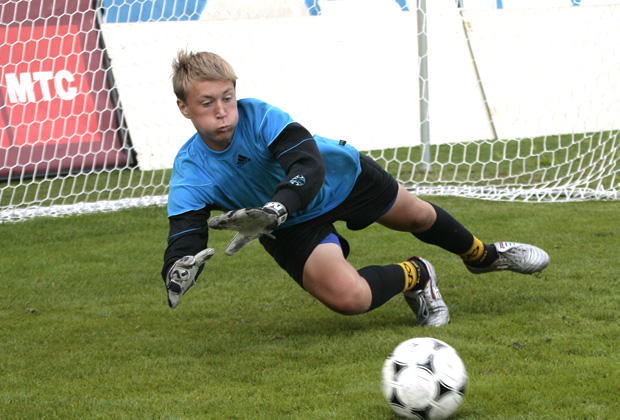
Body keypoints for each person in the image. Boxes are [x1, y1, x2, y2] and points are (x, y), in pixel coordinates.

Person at [161, 50, 550, 327]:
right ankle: (418, 275)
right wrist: (178, 266)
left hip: (338, 179)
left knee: (418, 215)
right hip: (291, 225)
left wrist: (276, 208)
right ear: (184, 107)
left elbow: (307, 165)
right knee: (351, 299)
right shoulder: (190, 171)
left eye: (227, 98)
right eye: (207, 103)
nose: (222, 111)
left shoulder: (260, 115)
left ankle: (482, 256)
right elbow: (185, 234)